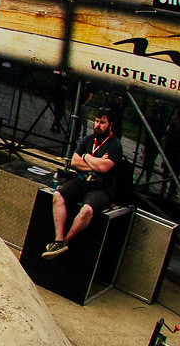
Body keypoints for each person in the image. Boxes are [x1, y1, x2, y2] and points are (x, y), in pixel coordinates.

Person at [42, 107, 125, 259]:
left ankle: (65, 242)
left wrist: (86, 157)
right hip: (80, 181)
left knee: (87, 210)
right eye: (97, 121)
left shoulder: (115, 145)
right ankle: (58, 239)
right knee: (58, 195)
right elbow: (74, 162)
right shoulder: (88, 140)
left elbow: (103, 168)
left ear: (110, 125)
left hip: (101, 188)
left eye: (102, 123)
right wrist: (93, 161)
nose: (98, 125)